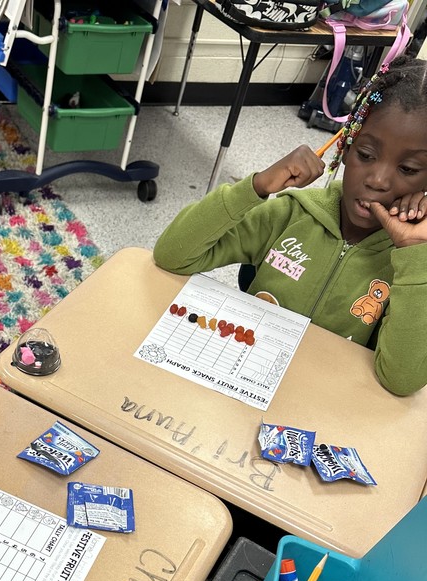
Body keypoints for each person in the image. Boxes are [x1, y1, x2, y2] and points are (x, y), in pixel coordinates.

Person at [153, 55, 427, 397]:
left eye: (409, 169)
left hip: (321, 404)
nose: (378, 180)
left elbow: (401, 381)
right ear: (345, 145)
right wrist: (253, 188)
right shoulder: (288, 215)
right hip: (239, 383)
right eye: (366, 155)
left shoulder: (416, 266)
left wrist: (416, 255)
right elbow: (171, 256)